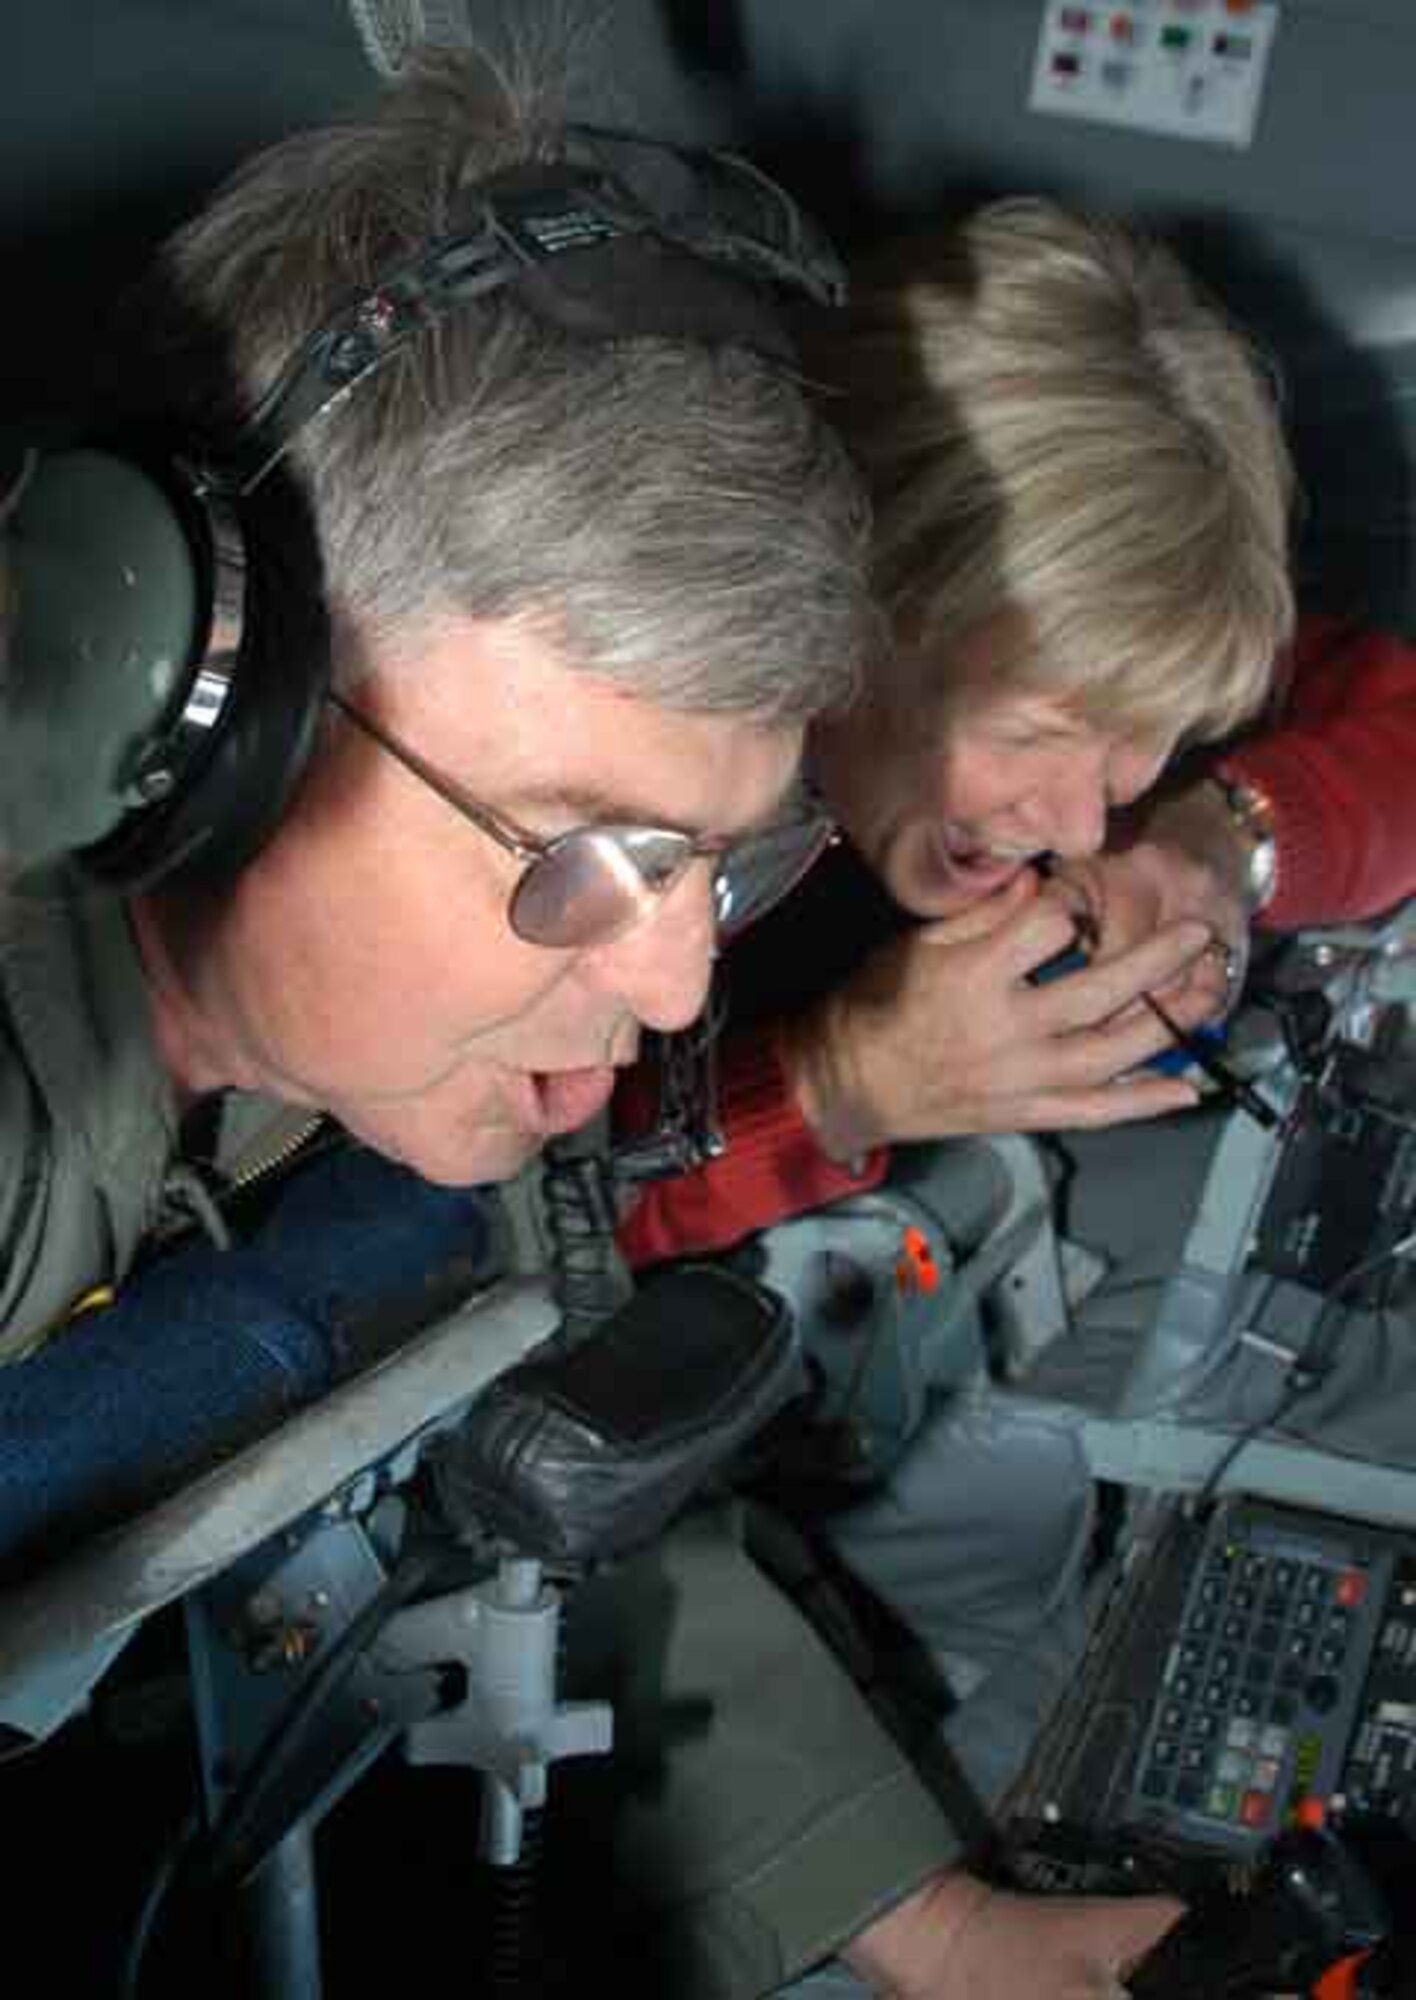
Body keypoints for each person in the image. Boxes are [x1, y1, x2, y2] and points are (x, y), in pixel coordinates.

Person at [594, 200, 1416, 2000]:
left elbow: (1390, 719)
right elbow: (438, 1258)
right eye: (1045, 734)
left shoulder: (1065, 691)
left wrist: (1223, 836)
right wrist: (837, 1082)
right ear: (861, 589)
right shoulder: (602, 777)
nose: (1069, 823)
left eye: (1127, 764)